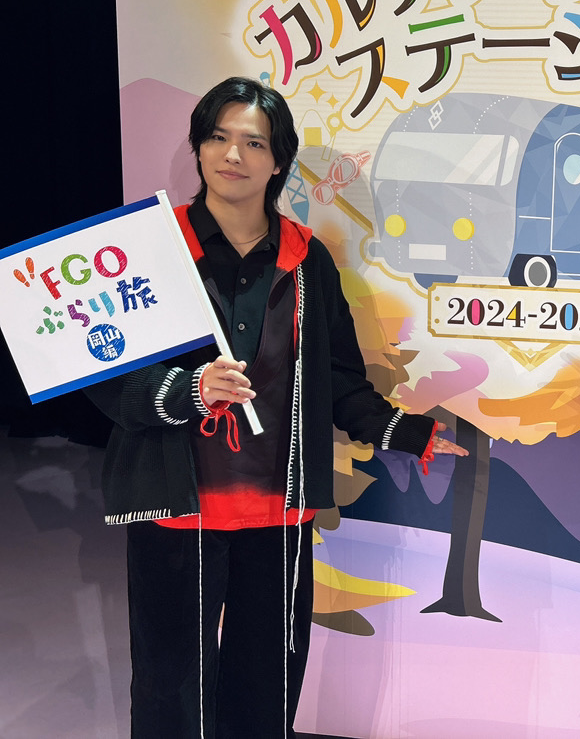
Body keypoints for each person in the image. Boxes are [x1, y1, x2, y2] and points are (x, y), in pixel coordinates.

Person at [86, 76, 468, 738]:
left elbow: (339, 379)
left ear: (278, 161)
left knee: (267, 683)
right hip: (176, 509)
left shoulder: (307, 260)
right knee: (171, 684)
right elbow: (106, 375)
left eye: (253, 142)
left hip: (277, 511)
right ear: (199, 148)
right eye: (217, 137)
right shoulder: (152, 252)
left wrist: (406, 432)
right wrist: (189, 391)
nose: (232, 154)